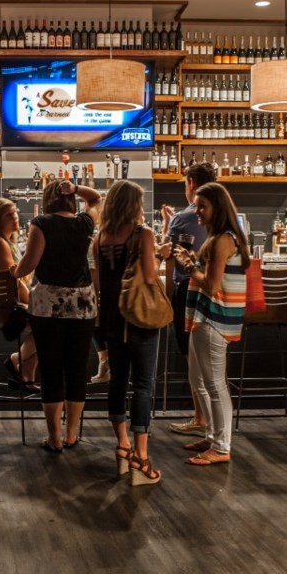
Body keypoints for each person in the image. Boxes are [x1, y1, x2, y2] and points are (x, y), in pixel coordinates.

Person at [11, 179, 101, 453]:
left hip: (48, 304)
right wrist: (75, 189)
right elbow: (96, 198)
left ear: (47, 200)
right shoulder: (85, 222)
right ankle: (72, 433)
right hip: (82, 304)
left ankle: (55, 438)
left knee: (51, 370)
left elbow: (31, 262)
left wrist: (15, 272)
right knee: (76, 369)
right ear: (72, 200)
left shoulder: (41, 223)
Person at [174, 182, 250, 466]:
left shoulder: (223, 240)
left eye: (202, 206)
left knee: (216, 384)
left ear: (218, 206)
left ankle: (221, 447)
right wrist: (192, 261)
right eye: (196, 205)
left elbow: (211, 284)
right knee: (199, 380)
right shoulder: (219, 237)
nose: (197, 211)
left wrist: (188, 265)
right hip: (203, 316)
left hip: (214, 316)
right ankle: (211, 435)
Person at [94, 180, 162, 485]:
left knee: (118, 382)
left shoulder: (99, 238)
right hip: (138, 317)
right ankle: (141, 457)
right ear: (133, 204)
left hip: (110, 318)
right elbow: (150, 276)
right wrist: (162, 254)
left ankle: (121, 446)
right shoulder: (142, 234)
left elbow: (98, 282)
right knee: (144, 384)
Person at [162, 162, 215, 437]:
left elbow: (167, 254)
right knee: (211, 359)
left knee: (192, 355)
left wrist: (167, 224)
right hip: (218, 294)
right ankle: (211, 421)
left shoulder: (183, 218)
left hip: (190, 290)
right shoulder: (223, 215)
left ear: (192, 184)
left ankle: (200, 418)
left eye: (185, 184)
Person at [0, 197, 39, 393]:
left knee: (50, 321)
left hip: (2, 304)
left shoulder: (6, 243)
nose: (15, 217)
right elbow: (15, 285)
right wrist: (34, 303)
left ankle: (25, 371)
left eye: (15, 213)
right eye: (8, 215)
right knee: (50, 322)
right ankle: (17, 361)